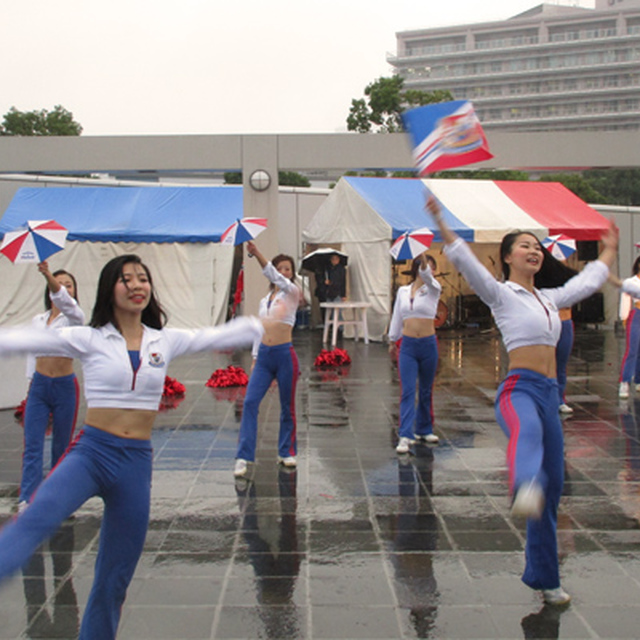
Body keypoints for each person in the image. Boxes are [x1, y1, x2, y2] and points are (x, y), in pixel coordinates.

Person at [0, 254, 264, 640]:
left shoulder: (164, 340)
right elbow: (31, 338)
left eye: (143, 278)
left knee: (114, 579)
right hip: (91, 454)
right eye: (127, 279)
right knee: (36, 520)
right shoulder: (89, 337)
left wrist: (260, 323)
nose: (137, 285)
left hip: (135, 465)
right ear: (111, 288)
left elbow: (216, 335)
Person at [426, 194, 618, 606]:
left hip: (550, 395)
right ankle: (521, 486)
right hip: (519, 390)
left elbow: (584, 283)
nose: (533, 250)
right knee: (526, 436)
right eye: (524, 245)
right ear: (508, 257)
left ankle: (545, 578)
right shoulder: (501, 294)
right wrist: (443, 226)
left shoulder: (549, 299)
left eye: (537, 246)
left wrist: (609, 252)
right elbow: (469, 266)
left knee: (553, 490)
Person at [19, 262, 85, 512]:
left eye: (69, 285)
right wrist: (30, 384)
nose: (64, 288)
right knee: (32, 445)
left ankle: (59, 500)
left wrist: (48, 274)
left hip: (64, 387)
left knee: (62, 446)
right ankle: (28, 498)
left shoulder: (74, 318)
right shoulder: (39, 320)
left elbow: (68, 304)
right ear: (48, 291)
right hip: (39, 386)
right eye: (60, 284)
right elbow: (31, 353)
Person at [234, 241, 302, 478]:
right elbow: (259, 329)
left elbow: (277, 278)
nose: (283, 273)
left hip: (285, 355)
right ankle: (243, 456)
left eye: (287, 269)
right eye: (280, 268)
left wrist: (257, 253)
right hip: (264, 356)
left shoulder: (292, 292)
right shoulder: (265, 301)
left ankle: (286, 451)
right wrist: (254, 358)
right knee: (250, 402)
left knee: (287, 407)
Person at [388, 252, 441, 454]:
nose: (429, 270)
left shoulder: (434, 289)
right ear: (415, 269)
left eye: (431, 267)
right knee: (408, 390)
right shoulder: (403, 291)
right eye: (426, 265)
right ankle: (405, 434)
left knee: (426, 390)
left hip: (428, 344)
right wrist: (392, 340)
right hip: (408, 345)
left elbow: (429, 277)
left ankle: (424, 428)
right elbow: (397, 315)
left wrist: (424, 256)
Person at [533, 259, 578, 414]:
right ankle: (542, 397)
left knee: (561, 363)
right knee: (542, 363)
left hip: (564, 322)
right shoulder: (539, 280)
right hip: (546, 323)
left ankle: (559, 399)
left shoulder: (567, 281)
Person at [618, 256, 640, 399]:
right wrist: (624, 317)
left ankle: (638, 380)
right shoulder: (631, 282)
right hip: (637, 314)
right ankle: (624, 382)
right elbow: (625, 299)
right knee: (632, 350)